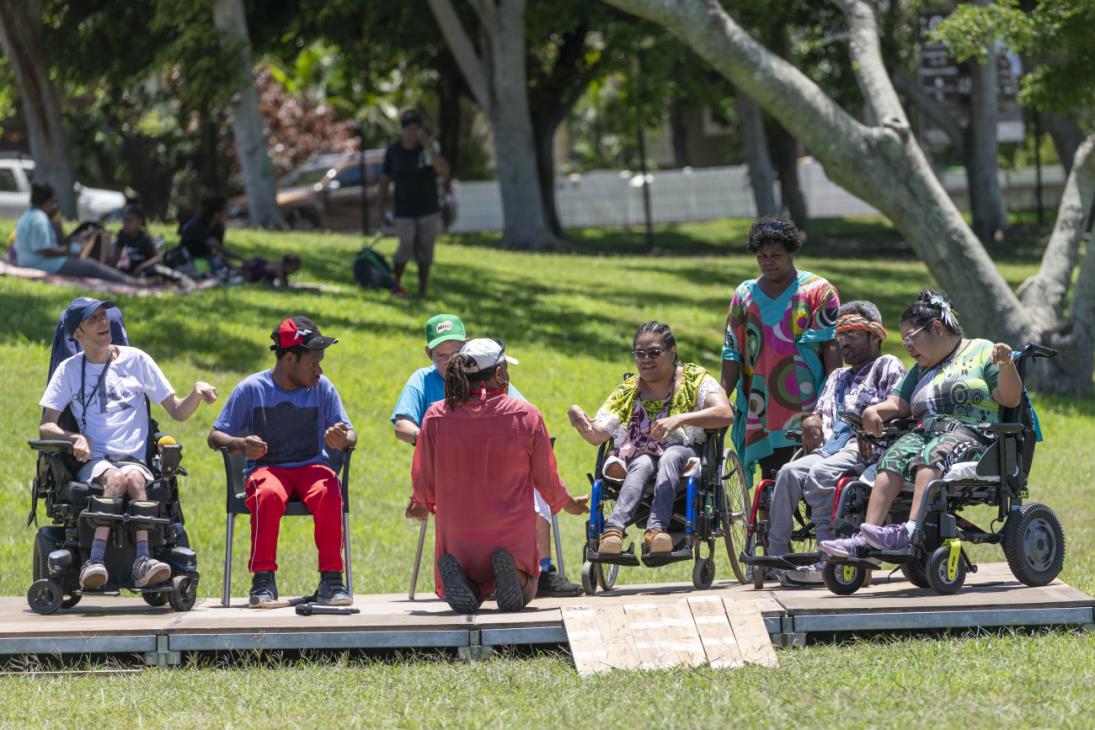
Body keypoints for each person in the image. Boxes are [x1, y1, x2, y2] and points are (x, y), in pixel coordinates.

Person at [820, 290, 1023, 558]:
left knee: (931, 457)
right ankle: (866, 537)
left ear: (937, 328)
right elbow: (897, 404)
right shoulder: (921, 369)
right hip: (926, 433)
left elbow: (1009, 398)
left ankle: (910, 531)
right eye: (904, 342)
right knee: (891, 460)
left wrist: (1007, 364)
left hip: (972, 435)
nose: (908, 347)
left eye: (910, 339)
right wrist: (873, 412)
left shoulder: (982, 351)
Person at [393, 314, 583, 597]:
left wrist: (419, 502)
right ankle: (519, 579)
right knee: (527, 584)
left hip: (456, 533)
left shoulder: (434, 416)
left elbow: (423, 480)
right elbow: (546, 481)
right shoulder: (526, 415)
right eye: (504, 367)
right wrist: (567, 503)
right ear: (498, 374)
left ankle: (466, 579)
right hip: (510, 529)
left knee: (463, 553)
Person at [38, 299, 218, 590]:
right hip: (94, 461)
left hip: (134, 459)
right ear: (77, 334)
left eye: (104, 316)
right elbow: (47, 426)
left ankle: (143, 562)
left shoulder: (137, 361)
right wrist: (74, 439)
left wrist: (196, 391)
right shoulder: (69, 370)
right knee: (116, 477)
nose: (103, 322)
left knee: (133, 475)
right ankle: (94, 561)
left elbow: (178, 411)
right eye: (93, 319)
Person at [208, 316, 357, 608]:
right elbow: (215, 436)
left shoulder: (323, 387)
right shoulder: (251, 389)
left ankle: (331, 580)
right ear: (290, 358)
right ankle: (263, 581)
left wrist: (344, 439)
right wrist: (239, 443)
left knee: (329, 489)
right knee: (267, 494)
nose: (319, 370)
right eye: (313, 363)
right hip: (268, 469)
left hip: (312, 468)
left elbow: (350, 432)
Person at [767, 301, 905, 586]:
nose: (843, 342)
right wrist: (811, 421)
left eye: (851, 334)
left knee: (821, 475)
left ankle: (828, 555)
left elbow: (898, 409)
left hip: (865, 447)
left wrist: (872, 431)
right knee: (788, 473)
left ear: (875, 335)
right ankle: (776, 555)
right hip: (829, 447)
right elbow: (819, 412)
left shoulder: (886, 366)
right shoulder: (836, 377)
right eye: (840, 335)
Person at [567, 321, 734, 554]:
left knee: (671, 455)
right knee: (642, 463)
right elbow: (597, 435)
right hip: (641, 454)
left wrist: (680, 419)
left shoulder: (694, 379)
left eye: (654, 352)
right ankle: (613, 531)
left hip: (684, 451)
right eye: (640, 353)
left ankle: (656, 530)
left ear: (672, 352)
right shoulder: (628, 390)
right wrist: (581, 421)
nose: (646, 359)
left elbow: (725, 413)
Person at [721, 216, 842, 484]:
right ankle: (767, 527)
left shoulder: (818, 291)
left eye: (776, 255)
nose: (768, 261)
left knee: (812, 476)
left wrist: (831, 400)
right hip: (761, 402)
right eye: (762, 256)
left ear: (791, 253)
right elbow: (732, 351)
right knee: (770, 477)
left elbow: (831, 346)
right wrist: (721, 397)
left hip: (808, 402)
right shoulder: (744, 295)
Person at [378, 110, 450, 297]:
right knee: (405, 245)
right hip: (403, 209)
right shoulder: (394, 151)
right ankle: (397, 286)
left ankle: (422, 290)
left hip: (428, 209)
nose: (413, 133)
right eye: (410, 129)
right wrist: (381, 206)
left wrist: (429, 147)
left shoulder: (428, 150)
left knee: (426, 250)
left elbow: (444, 172)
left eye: (417, 129)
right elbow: (385, 179)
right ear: (402, 130)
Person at [13, 183, 140, 285]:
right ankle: (132, 282)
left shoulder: (30, 215)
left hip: (29, 261)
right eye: (53, 202)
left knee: (86, 262)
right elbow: (45, 250)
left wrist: (67, 249)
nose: (55, 206)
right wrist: (69, 253)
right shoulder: (39, 219)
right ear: (46, 202)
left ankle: (128, 280)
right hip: (40, 263)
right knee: (90, 266)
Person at [111, 204, 195, 289]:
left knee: (145, 279)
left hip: (146, 270)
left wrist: (140, 267)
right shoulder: (122, 236)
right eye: (124, 220)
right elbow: (116, 257)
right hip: (130, 271)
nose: (126, 224)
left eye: (130, 221)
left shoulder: (144, 239)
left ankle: (164, 281)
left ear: (139, 222)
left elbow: (158, 258)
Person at [177, 194, 247, 278]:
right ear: (216, 214)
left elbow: (220, 253)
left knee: (224, 266)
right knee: (212, 267)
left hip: (208, 259)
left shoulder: (218, 228)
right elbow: (218, 247)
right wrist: (242, 258)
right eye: (226, 210)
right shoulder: (196, 225)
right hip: (191, 260)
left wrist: (232, 266)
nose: (228, 214)